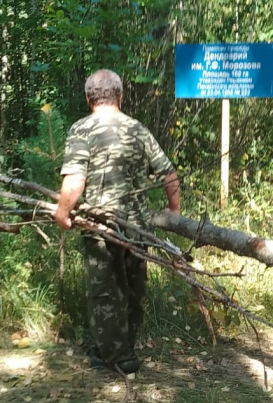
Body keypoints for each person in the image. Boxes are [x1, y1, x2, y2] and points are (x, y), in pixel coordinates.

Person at [54, 69, 181, 374]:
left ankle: (119, 358)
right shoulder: (138, 129)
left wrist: (62, 212)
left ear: (89, 98)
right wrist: (174, 210)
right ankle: (114, 347)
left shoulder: (82, 129)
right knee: (133, 291)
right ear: (120, 96)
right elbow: (169, 173)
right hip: (137, 228)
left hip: (100, 226)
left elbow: (75, 180)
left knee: (105, 293)